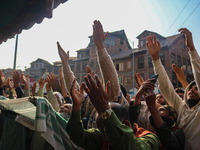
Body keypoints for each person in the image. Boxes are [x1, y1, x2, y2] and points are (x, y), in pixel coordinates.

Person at [66, 74, 159, 150]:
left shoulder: (150, 139)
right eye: (101, 131)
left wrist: (104, 109)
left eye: (107, 130)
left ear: (126, 124)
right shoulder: (102, 136)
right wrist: (76, 107)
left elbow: (130, 146)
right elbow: (77, 135)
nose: (103, 136)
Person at [146, 28, 200, 150]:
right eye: (191, 88)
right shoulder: (181, 108)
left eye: (197, 89)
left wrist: (191, 49)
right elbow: (166, 88)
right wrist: (156, 59)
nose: (192, 90)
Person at [137, 79, 185, 150]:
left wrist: (152, 107)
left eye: (162, 110)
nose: (157, 112)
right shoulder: (149, 131)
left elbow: (168, 139)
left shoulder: (178, 133)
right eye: (157, 110)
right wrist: (139, 93)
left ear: (171, 118)